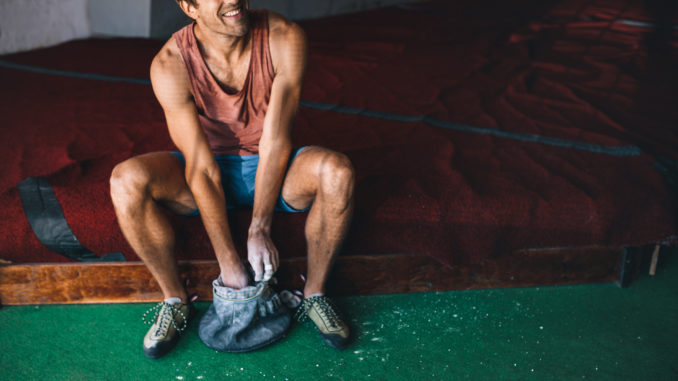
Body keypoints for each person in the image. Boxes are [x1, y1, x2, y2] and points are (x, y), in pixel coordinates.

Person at [109, 0, 354, 358]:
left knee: (338, 172)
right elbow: (201, 167)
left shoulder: (284, 37)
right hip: (208, 169)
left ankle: (315, 294)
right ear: (189, 6)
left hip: (274, 165)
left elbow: (276, 140)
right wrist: (229, 263)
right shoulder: (170, 64)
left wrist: (259, 228)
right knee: (125, 180)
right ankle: (175, 299)